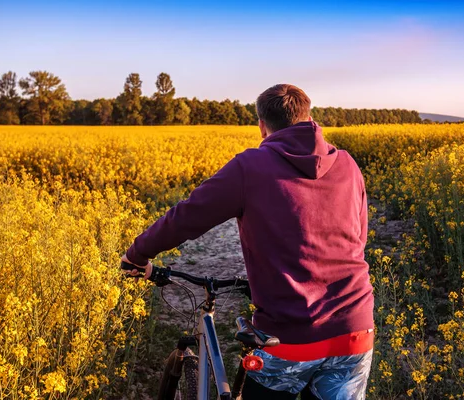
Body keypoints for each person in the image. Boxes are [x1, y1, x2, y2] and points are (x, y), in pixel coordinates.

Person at [122, 84, 374, 399]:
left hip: (289, 336)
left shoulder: (250, 167)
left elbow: (186, 217)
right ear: (309, 117)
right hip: (354, 329)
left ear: (261, 125)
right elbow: (357, 238)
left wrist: (137, 254)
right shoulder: (348, 164)